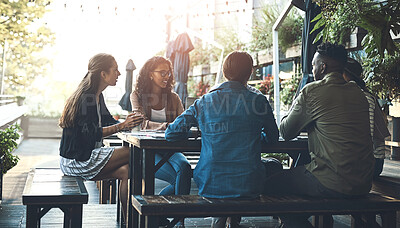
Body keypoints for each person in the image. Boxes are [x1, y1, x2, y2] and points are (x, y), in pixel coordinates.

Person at [263, 43, 375, 227]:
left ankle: (297, 223)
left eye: (314, 65)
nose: (313, 69)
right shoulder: (358, 93)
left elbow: (286, 132)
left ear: (323, 67)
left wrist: (297, 101)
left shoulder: (312, 91)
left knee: (268, 185)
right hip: (363, 182)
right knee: (301, 172)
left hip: (332, 182)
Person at [165, 51, 281, 228]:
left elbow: (171, 134)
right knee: (273, 165)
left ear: (225, 73)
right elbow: (273, 138)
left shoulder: (204, 101)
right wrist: (251, 138)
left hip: (211, 184)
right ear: (249, 73)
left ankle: (222, 221)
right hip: (248, 185)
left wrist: (200, 133)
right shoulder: (259, 101)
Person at [59, 53, 143, 222]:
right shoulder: (86, 98)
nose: (118, 74)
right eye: (115, 70)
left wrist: (130, 121)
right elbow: (90, 133)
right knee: (135, 153)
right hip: (77, 160)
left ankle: (130, 222)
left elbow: (108, 121)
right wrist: (121, 126)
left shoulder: (97, 96)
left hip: (85, 157)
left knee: (127, 171)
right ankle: (146, 210)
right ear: (103, 74)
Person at [130, 56, 192, 226]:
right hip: (148, 151)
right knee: (179, 179)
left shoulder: (174, 98)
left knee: (185, 169)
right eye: (162, 73)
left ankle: (176, 221)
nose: (167, 77)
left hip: (171, 149)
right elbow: (140, 122)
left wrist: (176, 127)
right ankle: (163, 217)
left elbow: (183, 122)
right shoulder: (137, 96)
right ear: (150, 74)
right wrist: (168, 126)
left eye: (169, 73)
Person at [343, 58, 390, 177]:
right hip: (364, 159)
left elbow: (366, 136)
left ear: (345, 75)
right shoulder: (355, 94)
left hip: (370, 163)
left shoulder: (364, 97)